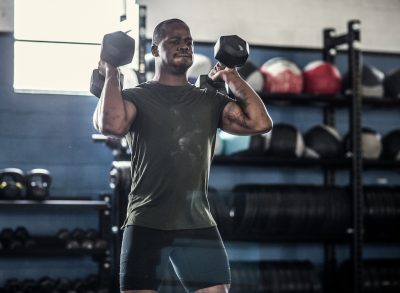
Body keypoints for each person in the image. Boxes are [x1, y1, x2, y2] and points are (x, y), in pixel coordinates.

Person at [93, 18, 272, 293]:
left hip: (197, 222)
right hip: (147, 222)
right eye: (174, 41)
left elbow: (260, 123)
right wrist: (111, 72)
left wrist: (231, 75)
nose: (184, 46)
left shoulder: (208, 99)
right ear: (154, 50)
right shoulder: (136, 97)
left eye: (188, 41)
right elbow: (112, 125)